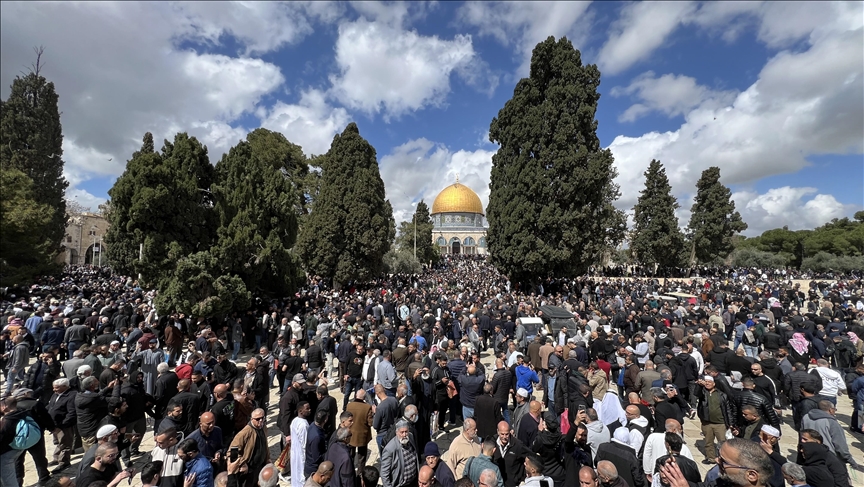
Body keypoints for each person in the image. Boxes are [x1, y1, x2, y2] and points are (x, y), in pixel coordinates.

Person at [694, 375, 734, 464]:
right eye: (706, 381)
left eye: (709, 382)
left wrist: (730, 423)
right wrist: (699, 386)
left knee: (723, 442)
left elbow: (727, 410)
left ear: (714, 383)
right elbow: (696, 393)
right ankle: (710, 458)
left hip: (720, 423)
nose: (707, 383)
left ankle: (724, 458)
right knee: (708, 442)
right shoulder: (703, 393)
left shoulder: (722, 395)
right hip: (707, 423)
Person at [230, 408, 270, 487]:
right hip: (249, 470)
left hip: (260, 466)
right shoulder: (245, 433)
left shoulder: (263, 428)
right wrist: (242, 464)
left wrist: (268, 458)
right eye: (258, 419)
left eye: (263, 418)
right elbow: (232, 452)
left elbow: (265, 445)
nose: (261, 420)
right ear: (252, 419)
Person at [47, 378, 77, 473]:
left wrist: (63, 424)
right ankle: (56, 458)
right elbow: (51, 406)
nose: (54, 390)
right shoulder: (55, 394)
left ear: (65, 387)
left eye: (56, 388)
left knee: (65, 444)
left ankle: (64, 462)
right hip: (54, 425)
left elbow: (71, 412)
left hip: (64, 426)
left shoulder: (72, 395)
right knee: (58, 442)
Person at [380, 420, 420, 487]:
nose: (404, 435)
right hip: (401, 484)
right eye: (402, 432)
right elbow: (384, 473)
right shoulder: (390, 449)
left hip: (413, 481)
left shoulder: (410, 436)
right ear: (397, 433)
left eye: (406, 432)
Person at [346, 389, 374, 472]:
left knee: (351, 454)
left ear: (355, 396)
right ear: (364, 397)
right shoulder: (367, 407)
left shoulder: (349, 405)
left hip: (351, 434)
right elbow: (370, 423)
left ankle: (349, 469)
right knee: (361, 457)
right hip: (362, 435)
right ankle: (360, 473)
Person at [305, 410, 328, 477]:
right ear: (325, 420)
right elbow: (316, 457)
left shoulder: (312, 425)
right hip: (313, 469)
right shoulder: (317, 437)